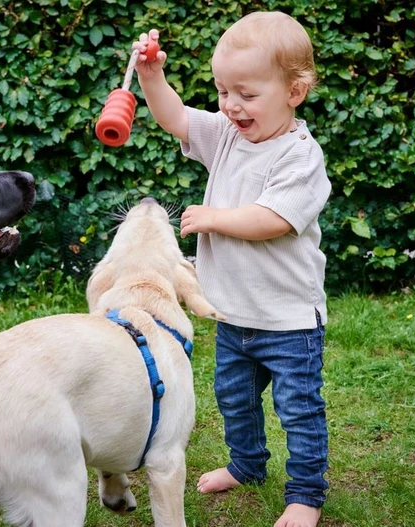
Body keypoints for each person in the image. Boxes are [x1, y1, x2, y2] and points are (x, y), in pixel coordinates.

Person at [132, 10, 332, 527]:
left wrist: (215, 219)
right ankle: (247, 465)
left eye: (246, 93)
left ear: (295, 91)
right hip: (233, 315)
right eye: (223, 91)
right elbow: (176, 117)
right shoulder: (225, 135)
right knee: (234, 402)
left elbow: (273, 219)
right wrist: (152, 77)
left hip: (288, 320)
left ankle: (306, 494)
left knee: (299, 411)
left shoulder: (300, 157)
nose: (230, 105)